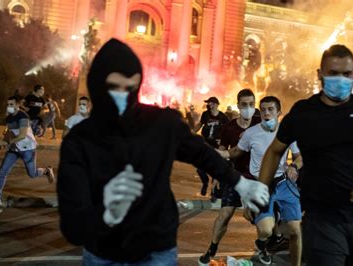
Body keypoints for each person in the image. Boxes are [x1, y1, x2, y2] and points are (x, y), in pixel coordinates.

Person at [56, 39, 269, 265]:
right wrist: (106, 213)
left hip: (157, 249)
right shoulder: (80, 140)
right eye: (114, 87)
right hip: (103, 254)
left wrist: (240, 183)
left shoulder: (160, 124)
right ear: (97, 85)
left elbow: (201, 153)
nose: (122, 96)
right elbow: (72, 226)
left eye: (130, 87)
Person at [258, 44, 353, 265]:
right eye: (333, 73)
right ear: (320, 74)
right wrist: (260, 193)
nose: (341, 79)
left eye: (347, 74)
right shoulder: (303, 112)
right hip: (322, 220)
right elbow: (274, 151)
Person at [216, 96, 302, 265]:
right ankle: (262, 243)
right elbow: (234, 153)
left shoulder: (287, 132)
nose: (266, 113)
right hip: (262, 184)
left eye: (270, 109)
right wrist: (215, 154)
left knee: (295, 230)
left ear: (279, 112)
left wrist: (294, 167)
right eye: (262, 110)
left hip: (284, 184)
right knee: (266, 231)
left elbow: (299, 157)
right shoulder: (251, 133)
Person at [199, 89, 261, 265]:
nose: (248, 108)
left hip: (255, 179)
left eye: (251, 104)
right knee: (224, 214)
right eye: (244, 104)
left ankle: (263, 247)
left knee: (257, 218)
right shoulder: (229, 128)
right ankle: (211, 249)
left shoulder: (260, 124)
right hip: (234, 177)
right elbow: (222, 153)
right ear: (238, 105)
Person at [0, 96, 55, 216]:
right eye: (8, 104)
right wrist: (2, 145)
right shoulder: (9, 118)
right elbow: (9, 132)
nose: (9, 107)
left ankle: (46, 170)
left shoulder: (23, 116)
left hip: (28, 149)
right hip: (14, 149)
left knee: (32, 174)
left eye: (11, 104)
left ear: (18, 105)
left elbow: (22, 135)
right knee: (2, 172)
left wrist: (5, 143)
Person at [194, 97, 229, 196]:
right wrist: (192, 132)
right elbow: (200, 124)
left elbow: (228, 129)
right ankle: (205, 183)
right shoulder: (205, 114)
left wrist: (223, 140)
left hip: (217, 147)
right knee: (200, 168)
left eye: (211, 103)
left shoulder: (223, 117)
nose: (209, 105)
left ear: (216, 104)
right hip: (205, 144)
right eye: (208, 103)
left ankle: (214, 191)